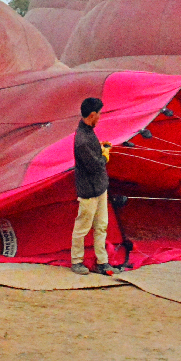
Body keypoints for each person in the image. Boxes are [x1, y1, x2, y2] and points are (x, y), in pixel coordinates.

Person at [71, 96, 120, 274]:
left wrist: (99, 147)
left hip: (99, 187)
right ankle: (76, 261)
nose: (100, 117)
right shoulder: (82, 139)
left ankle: (102, 261)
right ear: (92, 115)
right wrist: (105, 154)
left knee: (101, 226)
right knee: (82, 227)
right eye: (99, 114)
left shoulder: (88, 132)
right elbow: (94, 165)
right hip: (89, 190)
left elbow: (92, 154)